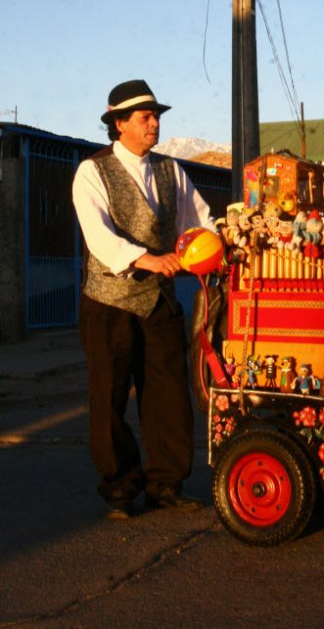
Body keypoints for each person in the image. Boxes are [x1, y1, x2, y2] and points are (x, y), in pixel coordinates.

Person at [72, 79, 216, 519]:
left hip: (158, 302)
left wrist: (212, 246)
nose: (154, 124)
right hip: (110, 302)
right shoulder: (91, 172)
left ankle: (166, 484)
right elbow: (99, 236)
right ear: (119, 124)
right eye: (145, 117)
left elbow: (201, 221)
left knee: (168, 395)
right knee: (110, 397)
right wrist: (148, 260)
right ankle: (120, 490)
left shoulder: (173, 171)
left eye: (156, 117)